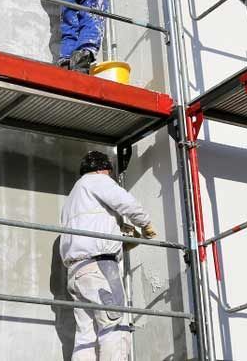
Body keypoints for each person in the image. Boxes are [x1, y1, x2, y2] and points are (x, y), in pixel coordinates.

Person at [60, 150, 156, 361]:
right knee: (114, 324)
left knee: (86, 334)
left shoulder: (73, 199)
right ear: (104, 169)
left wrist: (121, 240)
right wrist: (145, 223)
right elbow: (126, 202)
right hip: (100, 265)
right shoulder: (97, 180)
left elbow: (93, 228)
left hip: (76, 272)